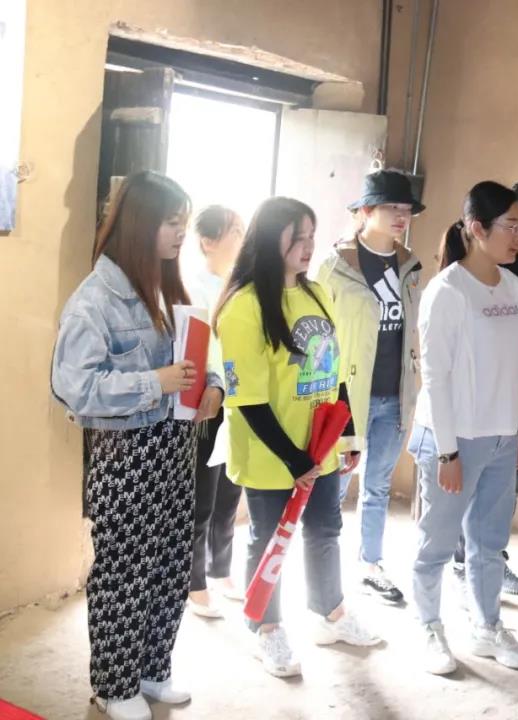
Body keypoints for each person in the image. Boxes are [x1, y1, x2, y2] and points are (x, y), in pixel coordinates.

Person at [51, 171, 223, 720]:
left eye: (183, 222)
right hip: (126, 458)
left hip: (174, 450)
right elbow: (75, 387)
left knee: (169, 568)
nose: (180, 233)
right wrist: (156, 382)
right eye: (171, 223)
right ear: (140, 224)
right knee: (123, 575)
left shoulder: (171, 285)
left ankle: (151, 671)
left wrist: (214, 386)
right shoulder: (95, 300)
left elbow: (205, 354)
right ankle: (113, 684)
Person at [214, 197, 380, 679]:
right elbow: (246, 400)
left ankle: (330, 612)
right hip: (273, 456)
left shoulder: (317, 292)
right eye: (297, 237)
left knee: (326, 529)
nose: (308, 247)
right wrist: (293, 459)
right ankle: (265, 628)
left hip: (320, 449)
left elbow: (333, 370)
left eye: (311, 236)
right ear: (271, 239)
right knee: (270, 541)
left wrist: (347, 434)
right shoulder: (244, 307)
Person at [409, 181, 518, 675]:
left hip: (503, 436)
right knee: (437, 543)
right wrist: (447, 452)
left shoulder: (514, 287)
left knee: (488, 542)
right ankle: (428, 627)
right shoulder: (448, 291)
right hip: (455, 438)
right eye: (511, 225)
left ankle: (487, 626)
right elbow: (435, 377)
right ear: (477, 229)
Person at [450, 178, 518, 596]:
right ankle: (467, 562)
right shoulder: (498, 270)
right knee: (478, 489)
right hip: (491, 400)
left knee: (510, 489)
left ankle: (489, 559)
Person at [321, 170, 423, 605]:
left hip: (395, 394)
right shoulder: (336, 266)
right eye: (391, 208)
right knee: (335, 484)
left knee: (377, 485)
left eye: (406, 209)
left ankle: (370, 565)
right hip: (347, 394)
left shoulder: (411, 265)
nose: (401, 216)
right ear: (365, 211)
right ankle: (323, 569)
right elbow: (318, 335)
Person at [186, 205, 245, 618]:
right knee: (202, 496)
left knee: (230, 490)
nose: (241, 238)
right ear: (208, 242)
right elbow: (202, 346)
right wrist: (216, 386)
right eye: (234, 232)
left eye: (243, 230)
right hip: (210, 400)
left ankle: (221, 569)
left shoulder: (241, 286)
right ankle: (194, 582)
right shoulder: (194, 287)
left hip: (240, 399)